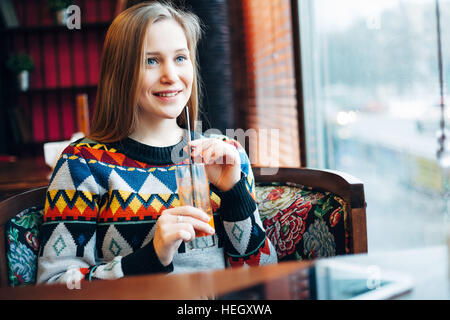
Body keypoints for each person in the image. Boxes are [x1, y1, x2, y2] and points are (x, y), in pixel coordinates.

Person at [37, 1, 277, 285]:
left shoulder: (226, 155)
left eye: (180, 58)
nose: (171, 76)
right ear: (120, 72)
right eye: (151, 60)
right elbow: (54, 285)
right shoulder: (83, 164)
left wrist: (234, 193)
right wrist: (151, 257)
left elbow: (263, 275)